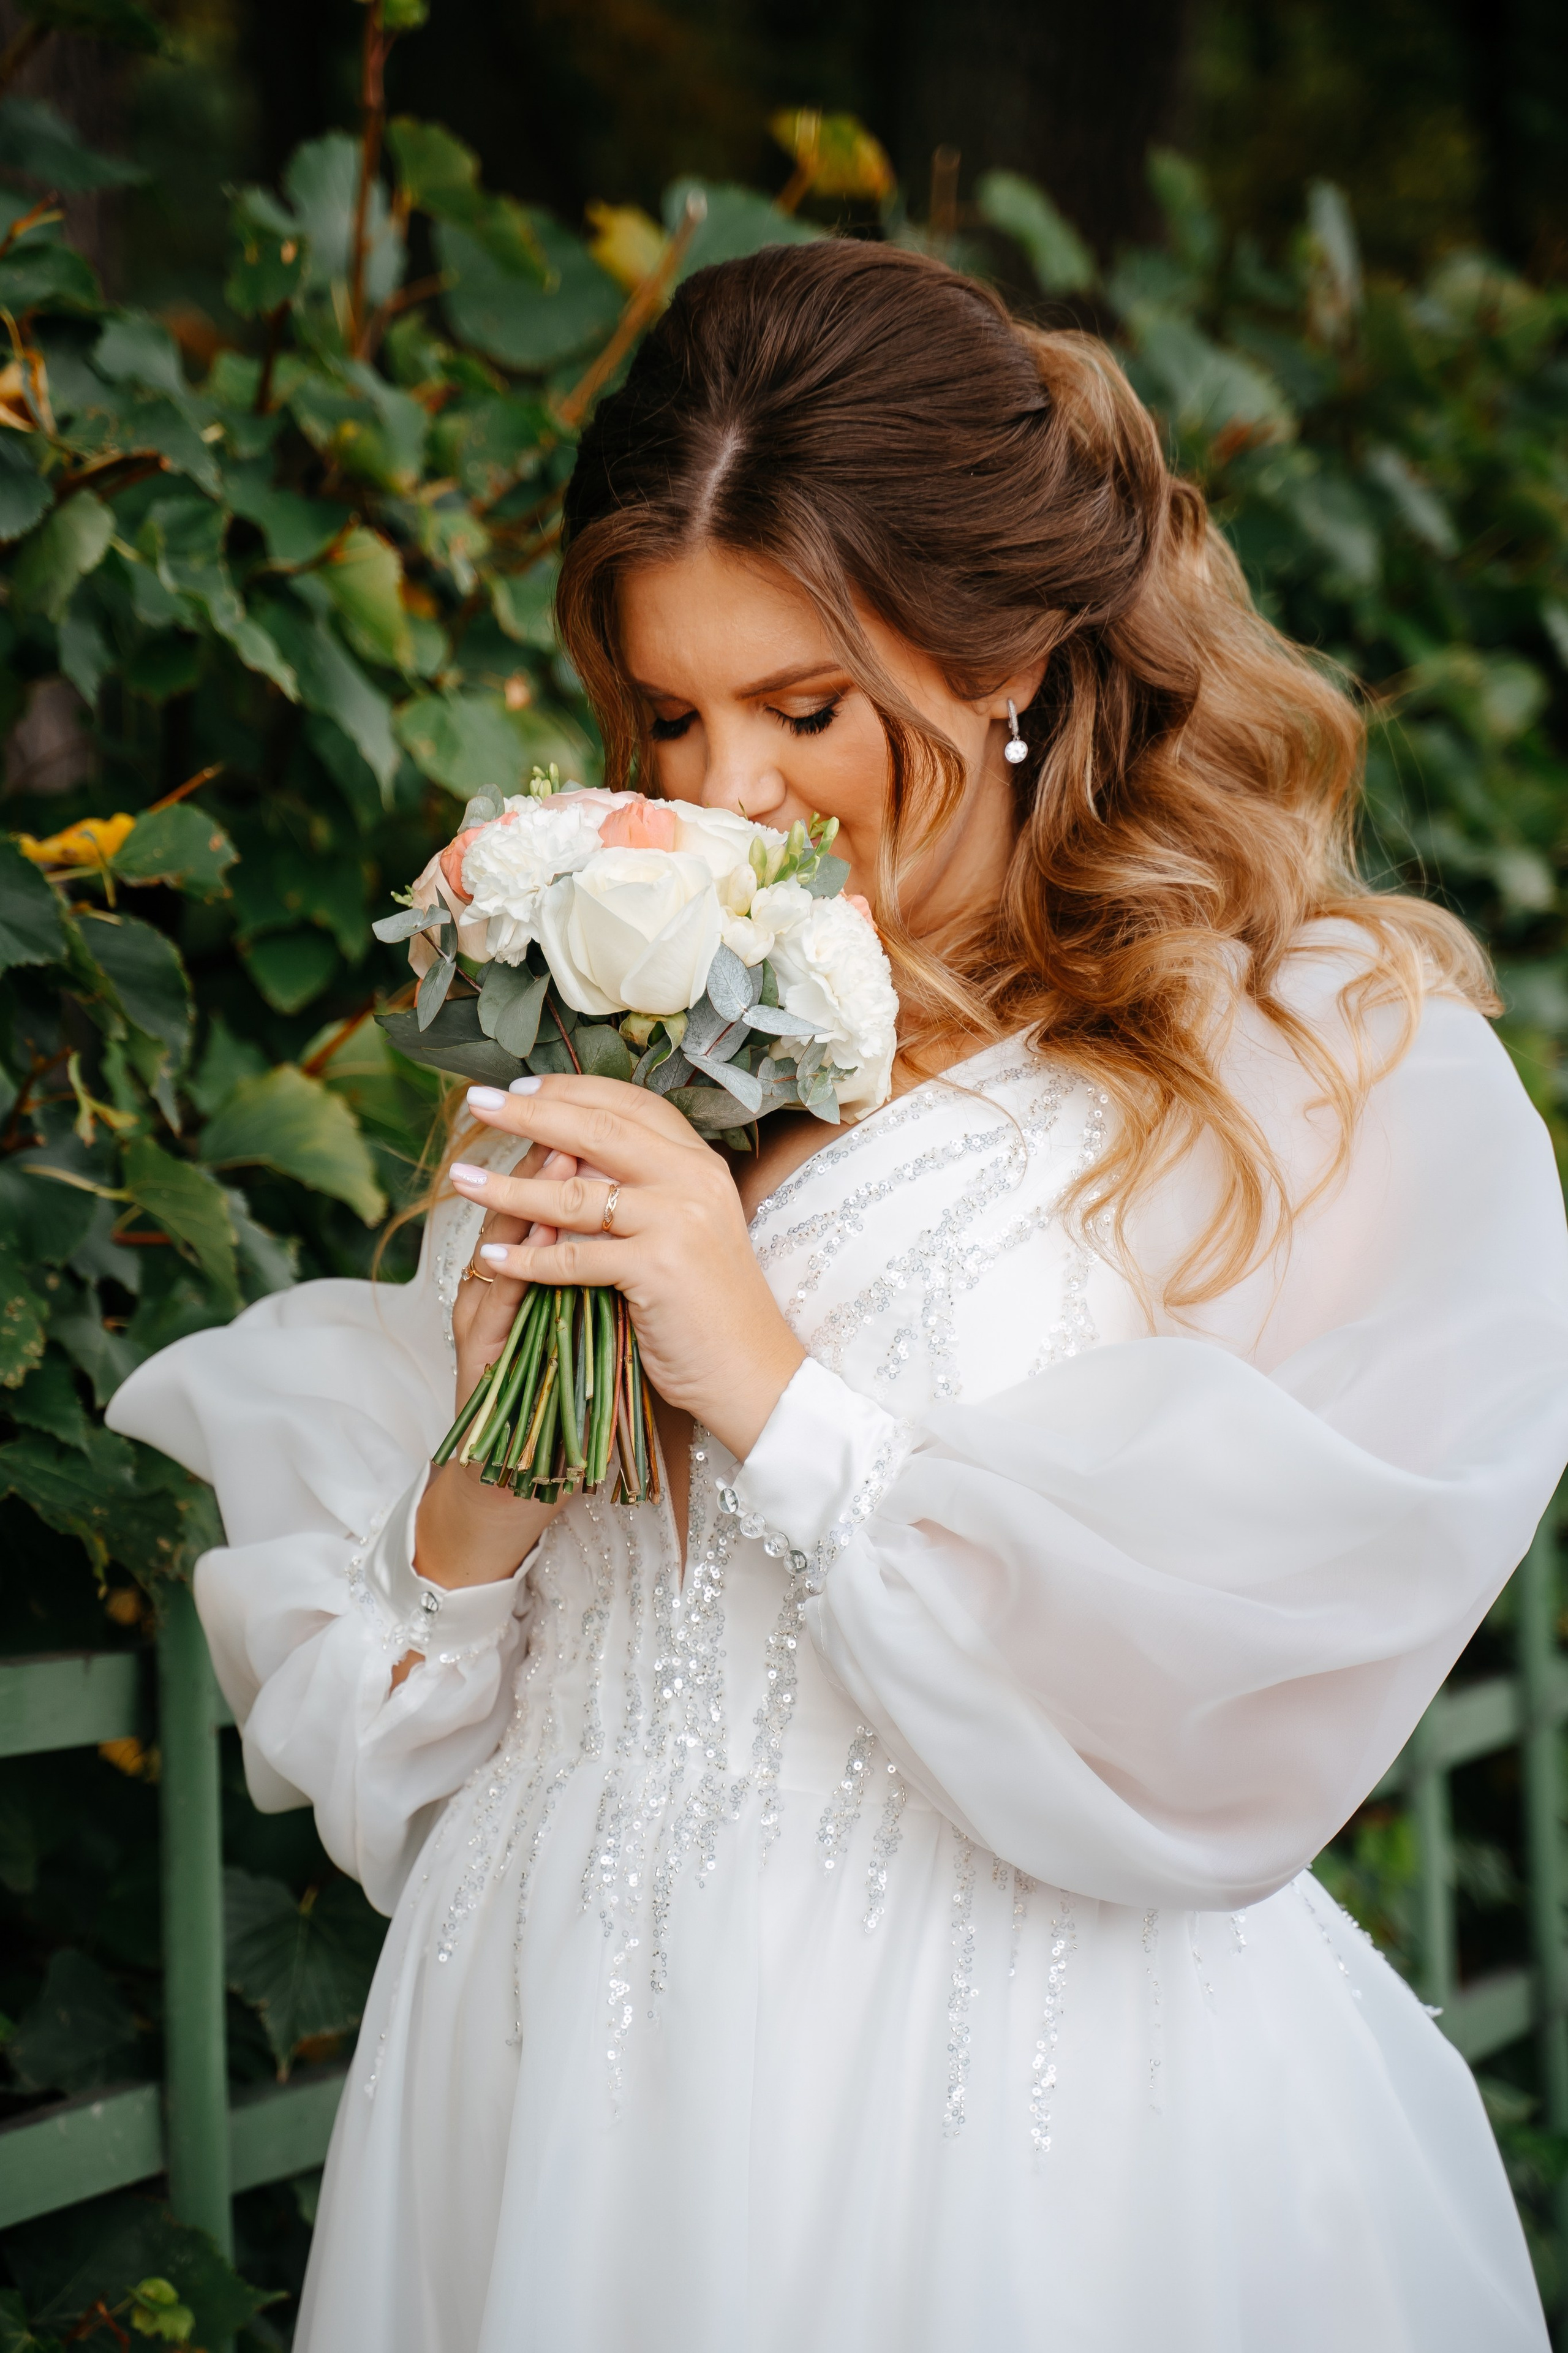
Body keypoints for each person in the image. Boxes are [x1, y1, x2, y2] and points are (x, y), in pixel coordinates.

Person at [109, 240, 1568, 2352]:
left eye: (808, 708)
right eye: (672, 712)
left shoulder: (1268, 1061)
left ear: (1011, 653)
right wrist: (486, 1487)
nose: (729, 799)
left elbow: (1248, 1715)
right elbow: (405, 1770)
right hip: (551, 2087)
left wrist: (786, 1400)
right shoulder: (596, 1027)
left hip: (1013, 2123)